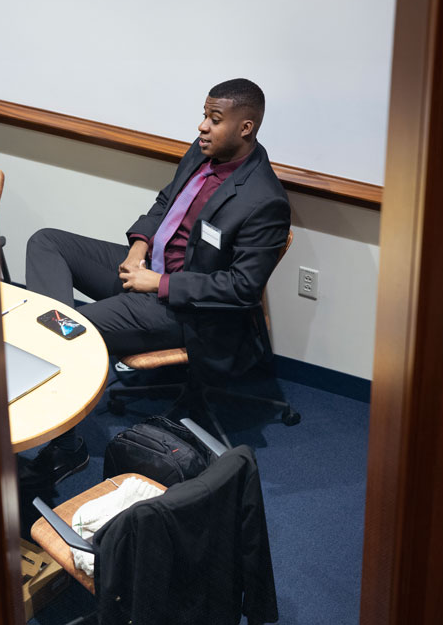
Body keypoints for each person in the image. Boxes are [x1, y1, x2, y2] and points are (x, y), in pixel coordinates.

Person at [24, 78, 291, 483]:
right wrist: (138, 246)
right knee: (47, 243)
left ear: (245, 127)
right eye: (204, 115)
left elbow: (241, 288)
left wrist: (158, 285)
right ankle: (52, 331)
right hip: (149, 267)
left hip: (183, 307)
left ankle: (67, 444)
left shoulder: (263, 199)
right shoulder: (202, 151)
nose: (202, 126)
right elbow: (166, 201)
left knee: (73, 332)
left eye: (214, 119)